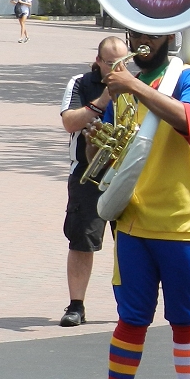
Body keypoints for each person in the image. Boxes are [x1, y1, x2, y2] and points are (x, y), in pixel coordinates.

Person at [88, 27, 190, 379]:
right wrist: (99, 147)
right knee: (131, 321)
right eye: (136, 29)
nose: (142, 37)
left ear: (170, 35)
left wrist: (132, 87)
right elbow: (113, 157)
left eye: (153, 31)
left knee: (184, 321)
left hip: (184, 221)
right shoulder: (123, 82)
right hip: (132, 222)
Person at [59, 36, 130, 327]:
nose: (118, 68)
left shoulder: (138, 84)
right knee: (82, 240)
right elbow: (69, 122)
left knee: (131, 242)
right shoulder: (81, 82)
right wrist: (103, 100)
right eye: (111, 63)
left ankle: (131, 307)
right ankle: (76, 306)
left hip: (127, 173)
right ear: (99, 61)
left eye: (123, 62)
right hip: (88, 175)